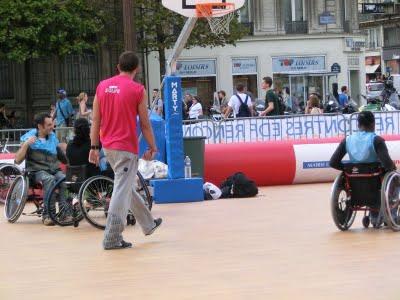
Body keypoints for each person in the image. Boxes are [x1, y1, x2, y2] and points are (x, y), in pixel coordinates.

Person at [89, 51, 162, 250]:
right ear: (137, 69)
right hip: (126, 147)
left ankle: (148, 223)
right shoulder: (138, 90)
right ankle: (112, 237)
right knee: (122, 189)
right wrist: (153, 147)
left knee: (125, 185)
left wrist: (94, 147)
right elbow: (145, 124)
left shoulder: (102, 87)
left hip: (108, 146)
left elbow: (96, 120)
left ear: (118, 67)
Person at [330, 111, 396, 226]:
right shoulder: (376, 140)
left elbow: (333, 162)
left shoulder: (347, 140)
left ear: (358, 124)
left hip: (355, 188)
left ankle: (375, 217)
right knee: (394, 177)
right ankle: (392, 215)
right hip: (375, 184)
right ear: (373, 124)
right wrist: (393, 169)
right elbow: (388, 165)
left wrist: (347, 169)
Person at [14, 113, 69, 226]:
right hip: (36, 172)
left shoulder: (53, 137)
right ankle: (48, 215)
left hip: (53, 169)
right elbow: (17, 160)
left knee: (64, 179)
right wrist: (25, 145)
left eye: (52, 124)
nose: (52, 127)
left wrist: (67, 150)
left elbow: (62, 158)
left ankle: (65, 213)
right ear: (40, 126)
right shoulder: (29, 138)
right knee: (49, 179)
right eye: (49, 125)